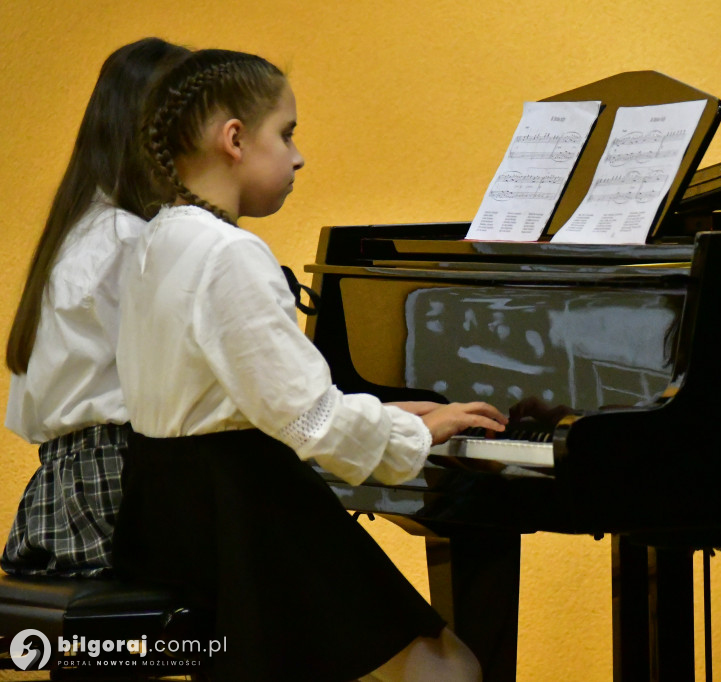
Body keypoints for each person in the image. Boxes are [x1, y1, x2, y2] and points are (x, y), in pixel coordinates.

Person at [112, 48, 505, 681]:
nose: (298, 156)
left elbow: (239, 398)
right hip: (247, 510)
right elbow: (310, 421)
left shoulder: (154, 241)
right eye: (286, 133)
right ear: (234, 139)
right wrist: (417, 430)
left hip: (170, 507)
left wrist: (375, 412)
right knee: (449, 670)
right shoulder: (230, 253)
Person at [2, 38, 190, 577]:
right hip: (118, 490)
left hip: (61, 492)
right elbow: (182, 398)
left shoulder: (84, 225)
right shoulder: (130, 239)